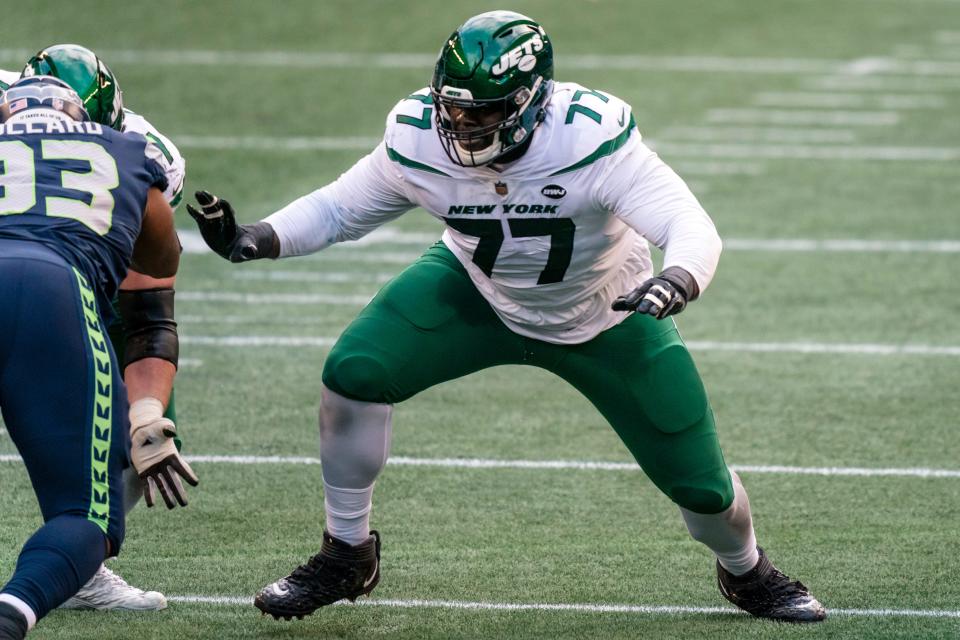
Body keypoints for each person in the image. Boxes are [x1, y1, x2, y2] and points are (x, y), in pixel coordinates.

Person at [189, 10, 825, 623]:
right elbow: (340, 208)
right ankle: (347, 552)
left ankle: (745, 570)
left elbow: (687, 223)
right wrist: (257, 236)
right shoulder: (417, 134)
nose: (462, 123)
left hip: (607, 312)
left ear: (533, 101)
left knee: (705, 490)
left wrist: (677, 278)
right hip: (476, 291)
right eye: (453, 105)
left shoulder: (589, 136)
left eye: (483, 110)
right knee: (354, 370)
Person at [0, 76, 198, 639]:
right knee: (86, 517)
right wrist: (146, 415)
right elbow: (152, 305)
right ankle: (12, 612)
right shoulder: (131, 151)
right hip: (49, 289)